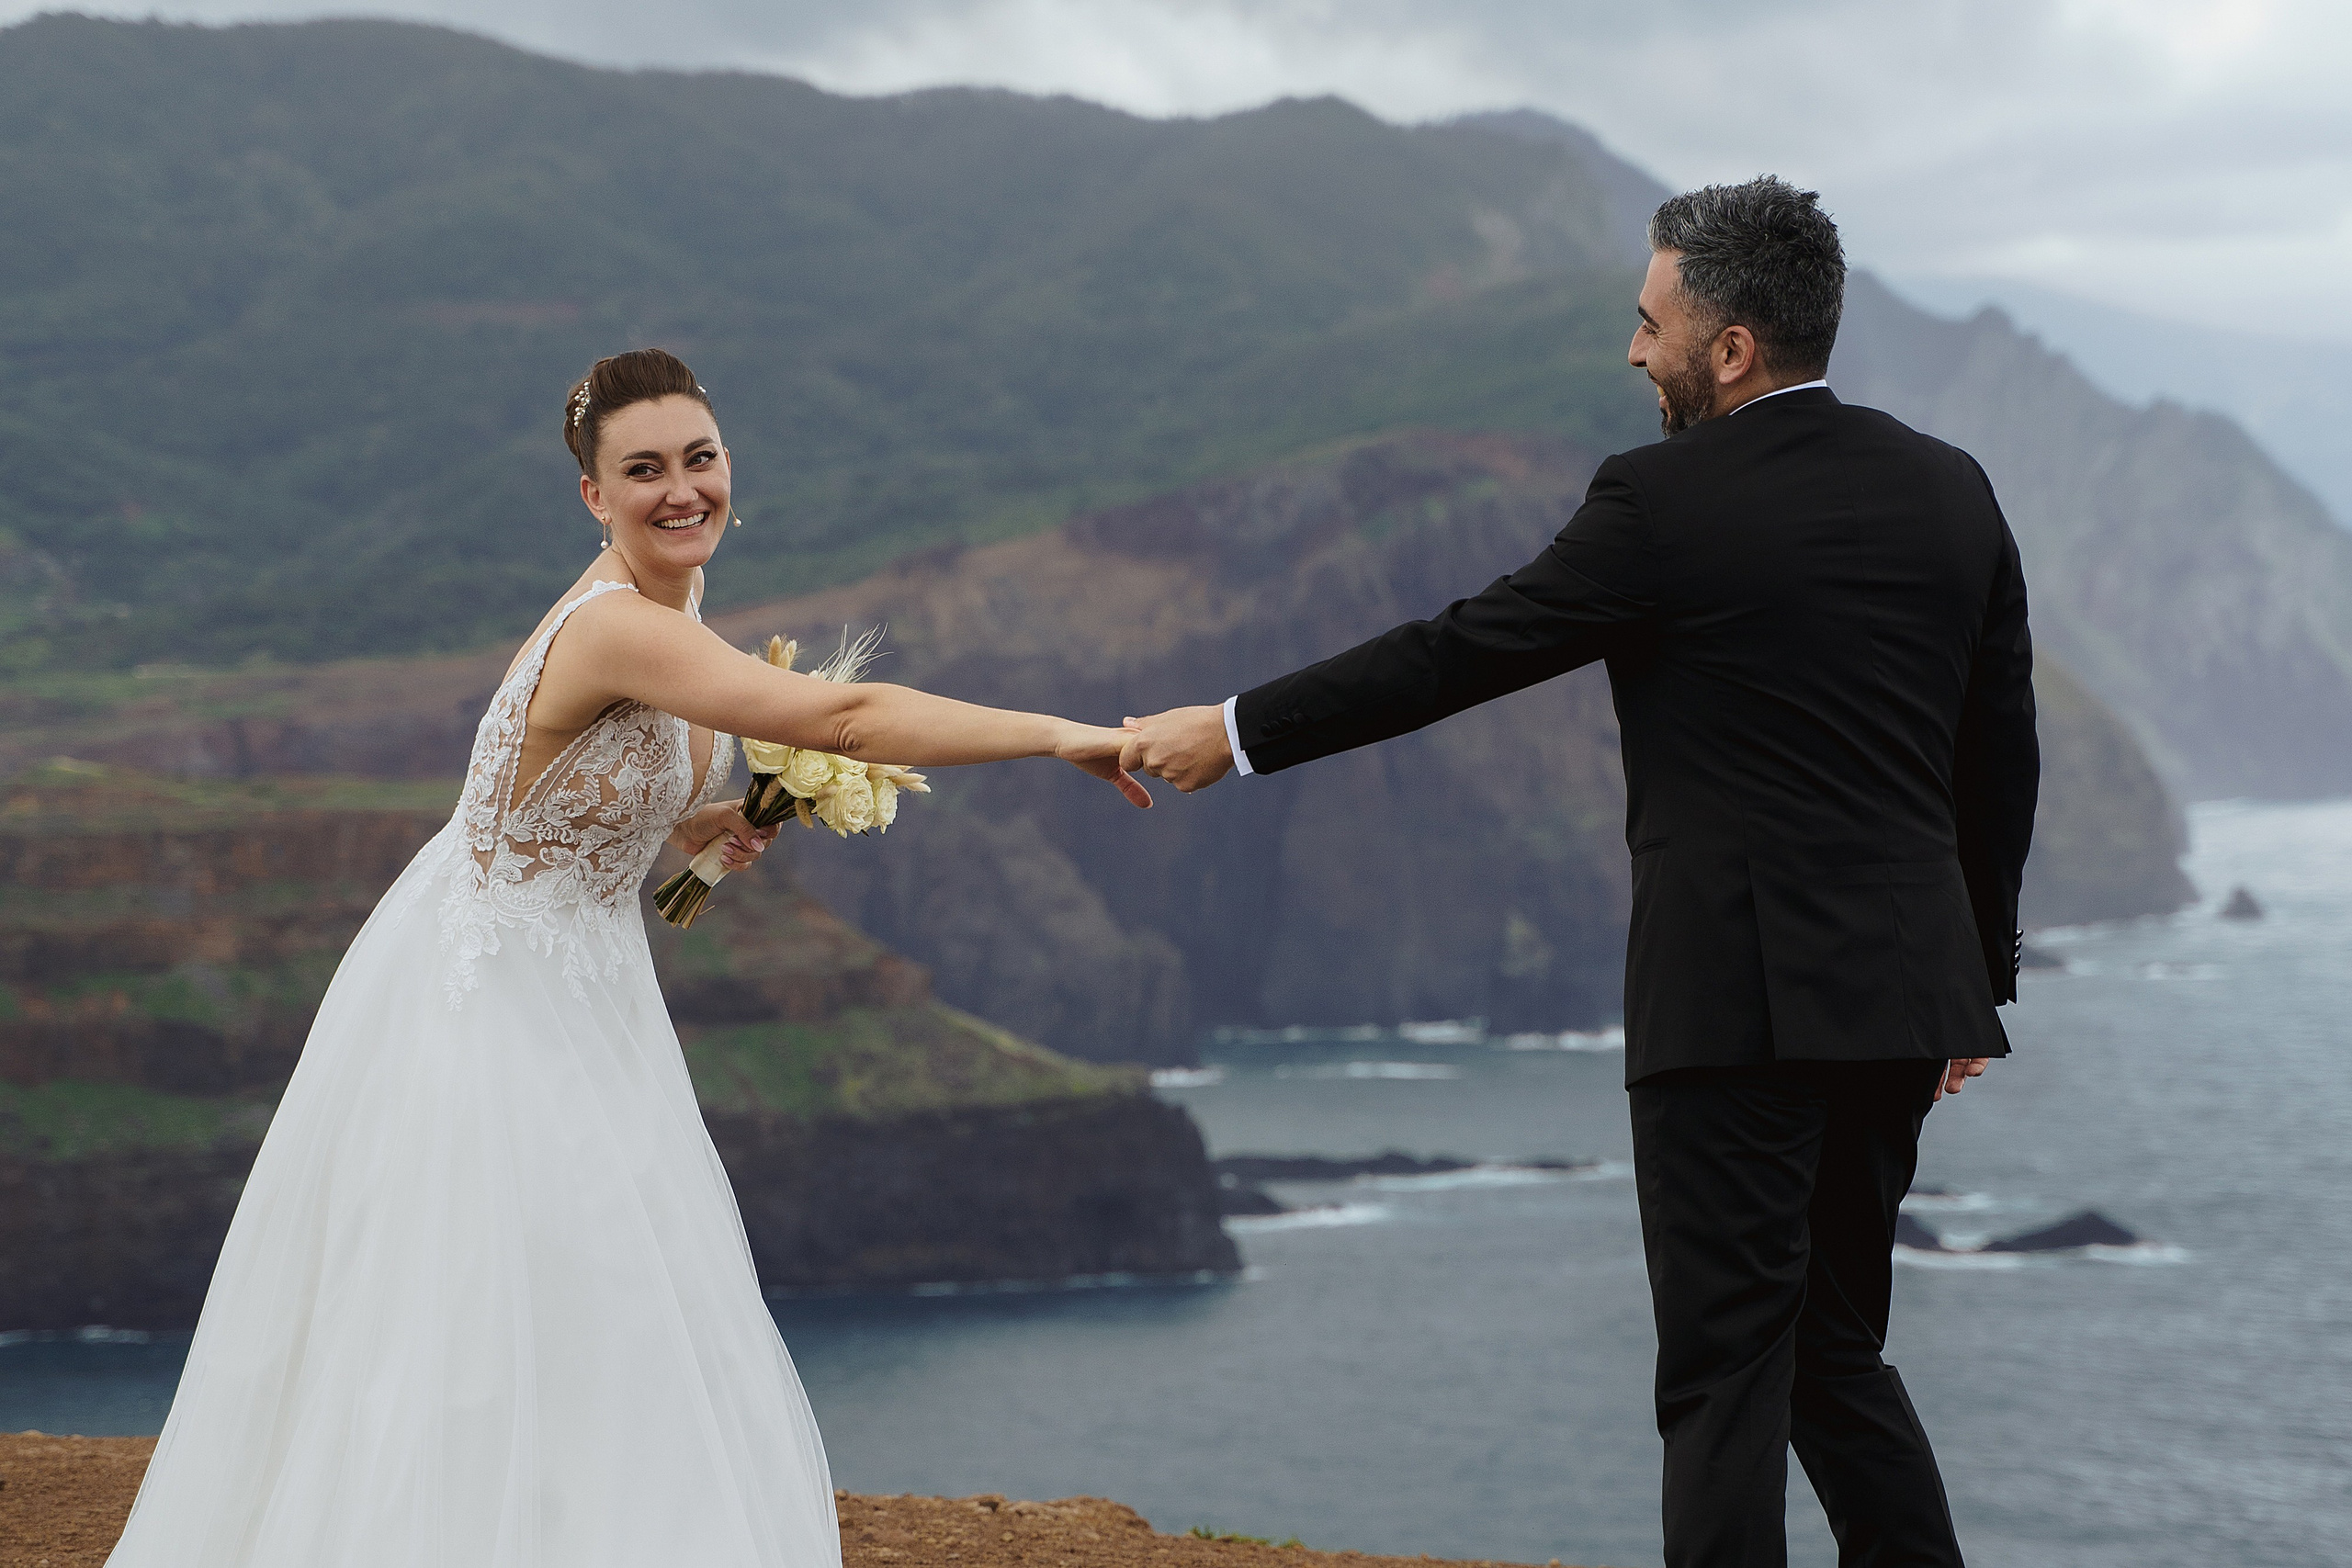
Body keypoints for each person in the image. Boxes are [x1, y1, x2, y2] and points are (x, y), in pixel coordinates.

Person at [1121, 177, 2037, 1568]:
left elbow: (1458, 650)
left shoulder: (1663, 499)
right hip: (1902, 1001)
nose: (1632, 351)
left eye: (1650, 320)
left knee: (1725, 1375)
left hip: (1732, 1005)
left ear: (1728, 347)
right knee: (1837, 1355)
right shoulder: (1951, 488)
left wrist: (1235, 730)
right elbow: (1999, 755)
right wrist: (1976, 976)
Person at [106, 347, 1148, 1568]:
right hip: (493, 1000)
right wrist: (1059, 736)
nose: (679, 489)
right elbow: (845, 718)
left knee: (597, 1313)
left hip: (585, 981)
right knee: (533, 1311)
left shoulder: (674, 612)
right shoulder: (614, 626)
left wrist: (692, 826)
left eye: (697, 460)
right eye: (642, 470)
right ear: (593, 496)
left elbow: (591, 786)